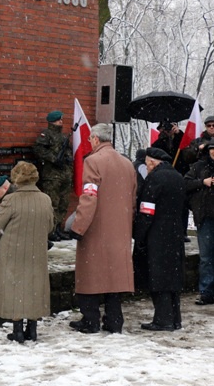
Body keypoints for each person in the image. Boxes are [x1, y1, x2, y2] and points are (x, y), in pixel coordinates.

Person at [67, 123, 137, 334]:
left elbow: (89, 197)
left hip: (96, 228)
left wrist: (78, 227)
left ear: (96, 139)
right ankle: (115, 320)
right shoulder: (127, 164)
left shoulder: (93, 162)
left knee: (90, 275)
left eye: (90, 139)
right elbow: (133, 198)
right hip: (120, 229)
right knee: (114, 278)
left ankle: (90, 320)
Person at [0, 161, 55, 343]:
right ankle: (32, 330)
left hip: (13, 251)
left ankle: (17, 331)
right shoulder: (45, 199)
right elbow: (49, 226)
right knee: (34, 287)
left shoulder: (11, 200)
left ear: (16, 178)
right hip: (37, 251)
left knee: (15, 287)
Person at [133, 147, 186, 331]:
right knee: (172, 276)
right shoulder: (177, 176)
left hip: (157, 234)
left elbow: (147, 210)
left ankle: (163, 319)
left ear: (152, 162)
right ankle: (175, 318)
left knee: (158, 276)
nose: (146, 169)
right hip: (175, 232)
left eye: (147, 165)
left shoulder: (155, 178)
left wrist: (139, 235)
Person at [34, 110, 73, 242]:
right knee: (53, 204)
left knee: (63, 203)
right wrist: (53, 158)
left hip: (65, 174)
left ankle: (58, 228)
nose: (61, 122)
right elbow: (39, 149)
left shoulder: (63, 136)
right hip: (52, 175)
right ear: (52, 121)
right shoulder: (47, 134)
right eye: (58, 120)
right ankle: (50, 230)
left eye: (61, 120)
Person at [184, 143, 214, 305]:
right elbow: (186, 184)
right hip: (205, 217)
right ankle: (206, 291)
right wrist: (203, 182)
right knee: (206, 257)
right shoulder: (199, 167)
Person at [152, 121, 190, 242]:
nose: (168, 130)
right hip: (164, 178)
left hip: (180, 176)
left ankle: (182, 232)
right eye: (165, 128)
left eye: (169, 128)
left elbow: (188, 150)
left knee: (182, 205)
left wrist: (179, 134)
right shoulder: (158, 144)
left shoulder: (180, 140)